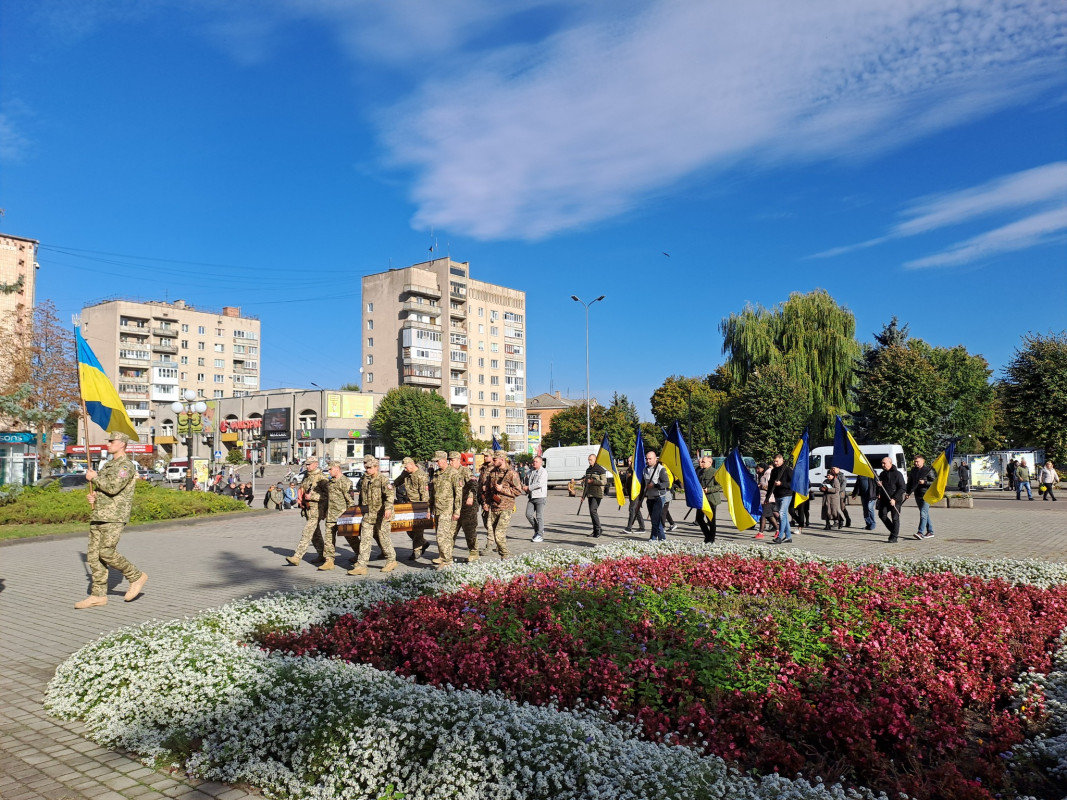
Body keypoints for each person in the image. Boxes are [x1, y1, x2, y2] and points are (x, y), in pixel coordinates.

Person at [75, 432, 148, 609]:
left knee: (106, 552)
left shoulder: (125, 466)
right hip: (99, 514)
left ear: (122, 444)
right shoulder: (109, 464)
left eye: (111, 441)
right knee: (94, 557)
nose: (108, 444)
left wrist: (94, 478)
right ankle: (98, 595)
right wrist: (94, 497)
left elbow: (114, 487)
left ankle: (136, 576)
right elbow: (104, 490)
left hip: (114, 516)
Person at [348, 455, 398, 574]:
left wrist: (388, 508)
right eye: (366, 468)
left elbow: (390, 495)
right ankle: (361, 566)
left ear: (376, 467)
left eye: (370, 468)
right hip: (368, 514)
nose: (367, 470)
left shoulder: (383, 479)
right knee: (365, 539)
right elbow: (362, 496)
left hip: (381, 515)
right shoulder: (365, 479)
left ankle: (391, 560)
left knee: (383, 538)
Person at [286, 457, 329, 567]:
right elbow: (303, 489)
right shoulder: (307, 476)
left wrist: (312, 496)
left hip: (317, 510)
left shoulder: (321, 477)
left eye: (309, 464)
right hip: (308, 509)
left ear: (316, 464)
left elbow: (328, 494)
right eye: (306, 464)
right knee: (315, 534)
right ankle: (322, 555)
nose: (307, 466)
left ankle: (297, 556)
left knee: (307, 531)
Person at [483, 451, 524, 559]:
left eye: (495, 460)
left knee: (499, 534)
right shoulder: (492, 472)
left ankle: (506, 554)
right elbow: (488, 490)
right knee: (494, 534)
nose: (493, 461)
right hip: (494, 506)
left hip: (506, 507)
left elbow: (518, 491)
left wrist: (503, 489)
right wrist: (486, 502)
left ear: (502, 459)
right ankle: (504, 557)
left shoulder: (512, 473)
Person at [319, 461, 353, 571]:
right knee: (329, 539)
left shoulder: (345, 482)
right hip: (331, 516)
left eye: (330, 469)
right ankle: (329, 560)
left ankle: (359, 554)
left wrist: (350, 516)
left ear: (337, 469)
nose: (328, 471)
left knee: (351, 537)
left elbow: (350, 501)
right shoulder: (330, 482)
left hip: (342, 515)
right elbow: (326, 499)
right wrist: (324, 511)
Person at [430, 450, 460, 568]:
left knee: (442, 535)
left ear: (444, 460)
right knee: (441, 535)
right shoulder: (437, 474)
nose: (437, 463)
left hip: (447, 509)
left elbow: (458, 494)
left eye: (438, 461)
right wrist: (429, 509)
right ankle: (444, 557)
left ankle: (447, 561)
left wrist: (457, 511)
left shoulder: (453, 473)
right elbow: (432, 493)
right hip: (437, 509)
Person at [398, 456, 431, 560]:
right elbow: (398, 480)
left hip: (418, 505)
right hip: (408, 504)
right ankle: (423, 543)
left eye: (406, 467)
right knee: (409, 529)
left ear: (411, 464)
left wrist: (425, 508)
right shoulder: (407, 473)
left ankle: (416, 551)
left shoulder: (421, 476)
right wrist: (390, 485)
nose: (405, 469)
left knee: (417, 529)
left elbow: (424, 494)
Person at [451, 451, 481, 560]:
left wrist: (471, 495)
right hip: (455, 506)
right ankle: (446, 554)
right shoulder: (449, 472)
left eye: (452, 460)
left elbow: (474, 483)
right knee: (451, 531)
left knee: (469, 530)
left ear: (458, 461)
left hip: (468, 506)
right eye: (449, 460)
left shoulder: (465, 471)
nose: (450, 462)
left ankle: (473, 553)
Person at [905, 455, 937, 539]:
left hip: (926, 495)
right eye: (915, 462)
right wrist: (908, 493)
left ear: (923, 461)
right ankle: (930, 531)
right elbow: (910, 482)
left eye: (917, 461)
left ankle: (920, 532)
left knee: (923, 513)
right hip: (917, 494)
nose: (916, 463)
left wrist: (925, 482)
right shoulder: (913, 470)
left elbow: (934, 482)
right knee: (925, 513)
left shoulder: (928, 470)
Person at [642, 449, 671, 541]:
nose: (648, 461)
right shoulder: (645, 469)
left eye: (650, 459)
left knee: (656, 519)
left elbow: (667, 483)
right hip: (649, 497)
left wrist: (655, 485)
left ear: (655, 459)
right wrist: (640, 498)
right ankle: (657, 538)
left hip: (659, 497)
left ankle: (657, 538)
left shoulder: (661, 469)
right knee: (654, 520)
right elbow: (643, 484)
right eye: (647, 459)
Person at [877, 455, 906, 543]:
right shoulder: (882, 474)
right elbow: (881, 487)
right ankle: (894, 531)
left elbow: (902, 488)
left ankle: (894, 537)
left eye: (884, 463)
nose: (883, 465)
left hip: (895, 500)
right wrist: (878, 487)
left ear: (890, 463)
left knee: (895, 518)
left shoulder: (897, 474)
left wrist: (894, 498)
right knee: (882, 515)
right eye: (882, 463)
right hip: (884, 500)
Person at [767, 453, 794, 544]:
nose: (775, 463)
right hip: (777, 495)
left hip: (786, 495)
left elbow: (793, 483)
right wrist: (767, 497)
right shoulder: (774, 471)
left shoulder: (787, 470)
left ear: (782, 460)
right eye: (774, 461)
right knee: (784, 517)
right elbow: (770, 484)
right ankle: (788, 537)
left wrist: (782, 484)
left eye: (777, 461)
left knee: (781, 514)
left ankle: (779, 536)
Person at [696, 455, 723, 543]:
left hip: (711, 499)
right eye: (701, 461)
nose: (701, 463)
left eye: (704, 462)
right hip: (702, 499)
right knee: (699, 518)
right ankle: (707, 535)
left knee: (711, 520)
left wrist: (708, 490)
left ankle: (711, 539)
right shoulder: (700, 472)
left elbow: (719, 486)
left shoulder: (714, 472)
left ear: (710, 463)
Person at [582, 453, 607, 538]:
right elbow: (586, 484)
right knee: (591, 512)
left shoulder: (601, 470)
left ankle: (599, 529)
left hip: (597, 493)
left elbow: (604, 482)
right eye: (588, 460)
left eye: (591, 460)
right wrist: (583, 496)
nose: (589, 461)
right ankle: (595, 530)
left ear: (595, 459)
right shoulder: (588, 470)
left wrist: (594, 482)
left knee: (593, 510)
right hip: (589, 493)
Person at [524, 454, 547, 542]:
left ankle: (540, 535)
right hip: (531, 496)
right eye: (533, 461)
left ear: (541, 463)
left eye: (536, 462)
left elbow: (539, 484)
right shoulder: (531, 471)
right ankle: (538, 529)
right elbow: (526, 480)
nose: (534, 463)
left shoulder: (543, 472)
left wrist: (528, 488)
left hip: (540, 496)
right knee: (528, 514)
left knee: (539, 516)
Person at [621, 456, 646, 533]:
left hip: (636, 493)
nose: (629, 463)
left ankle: (629, 527)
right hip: (630, 492)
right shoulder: (629, 469)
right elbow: (625, 481)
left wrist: (631, 476)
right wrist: (623, 476)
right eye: (628, 461)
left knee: (632, 509)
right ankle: (642, 527)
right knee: (636, 509)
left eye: (631, 462)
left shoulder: (637, 470)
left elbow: (641, 481)